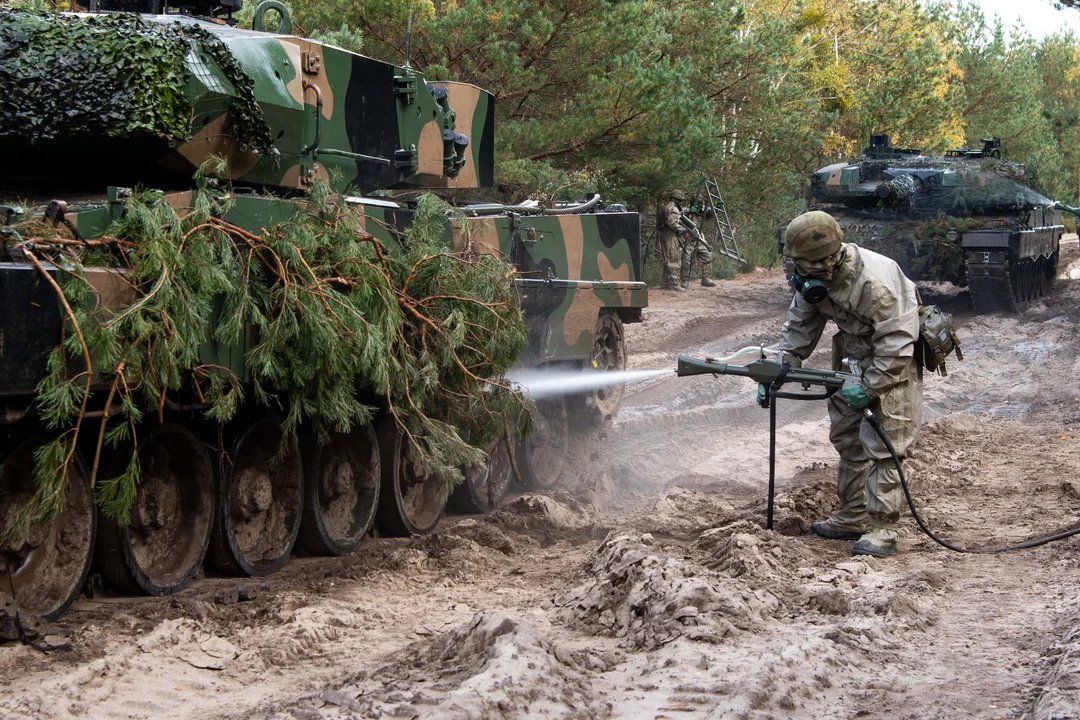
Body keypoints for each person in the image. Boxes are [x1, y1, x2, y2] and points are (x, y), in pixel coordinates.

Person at [765, 210, 922, 557]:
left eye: (803, 263)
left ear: (828, 260)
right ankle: (853, 516)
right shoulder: (813, 278)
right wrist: (780, 369)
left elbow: (897, 345)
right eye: (796, 263)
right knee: (849, 440)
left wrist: (869, 388)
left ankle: (882, 528)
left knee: (884, 445)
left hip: (892, 365)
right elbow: (799, 326)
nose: (798, 271)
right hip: (852, 357)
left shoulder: (875, 283)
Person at [657, 189, 715, 290]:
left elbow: (710, 213)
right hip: (686, 238)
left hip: (696, 235)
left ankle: (706, 278)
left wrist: (714, 209)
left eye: (702, 203)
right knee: (683, 260)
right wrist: (689, 212)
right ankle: (682, 281)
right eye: (699, 203)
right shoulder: (682, 209)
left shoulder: (700, 209)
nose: (700, 205)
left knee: (707, 255)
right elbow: (676, 218)